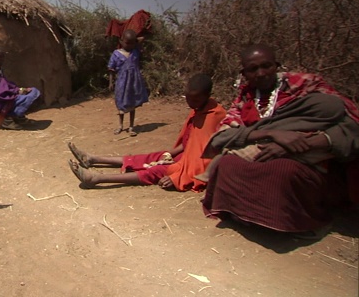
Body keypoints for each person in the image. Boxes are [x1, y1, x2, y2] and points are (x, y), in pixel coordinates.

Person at [202, 44, 359, 239]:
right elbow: (223, 135)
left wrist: (302, 144)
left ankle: (305, 223)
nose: (260, 73)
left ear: (277, 66)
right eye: (252, 69)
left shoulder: (306, 85)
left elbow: (350, 127)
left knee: (282, 171)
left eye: (266, 66)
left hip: (307, 156)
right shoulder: (246, 96)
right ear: (244, 74)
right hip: (262, 149)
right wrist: (272, 133)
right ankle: (246, 215)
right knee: (227, 164)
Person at [68, 74, 226, 191]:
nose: (191, 103)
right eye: (188, 99)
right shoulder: (199, 109)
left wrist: (176, 177)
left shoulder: (214, 116)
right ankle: (93, 159)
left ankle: (97, 178)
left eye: (195, 100)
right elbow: (188, 142)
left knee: (156, 170)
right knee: (151, 157)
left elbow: (205, 158)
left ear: (207, 96)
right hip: (184, 156)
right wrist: (168, 154)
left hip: (194, 165)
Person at [0, 48, 41, 130]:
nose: (2, 59)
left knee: (34, 91)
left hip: (4, 94)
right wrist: (16, 91)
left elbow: (3, 84)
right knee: (25, 98)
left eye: (3, 57)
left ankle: (19, 117)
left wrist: (19, 89)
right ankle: (8, 120)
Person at [108, 29, 149, 136]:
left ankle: (131, 127)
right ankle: (120, 126)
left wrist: (136, 41)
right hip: (121, 83)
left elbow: (141, 39)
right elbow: (111, 69)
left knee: (132, 103)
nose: (129, 45)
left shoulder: (135, 52)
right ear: (121, 41)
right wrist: (111, 82)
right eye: (127, 43)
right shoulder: (116, 54)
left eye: (132, 43)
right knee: (121, 103)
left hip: (134, 82)